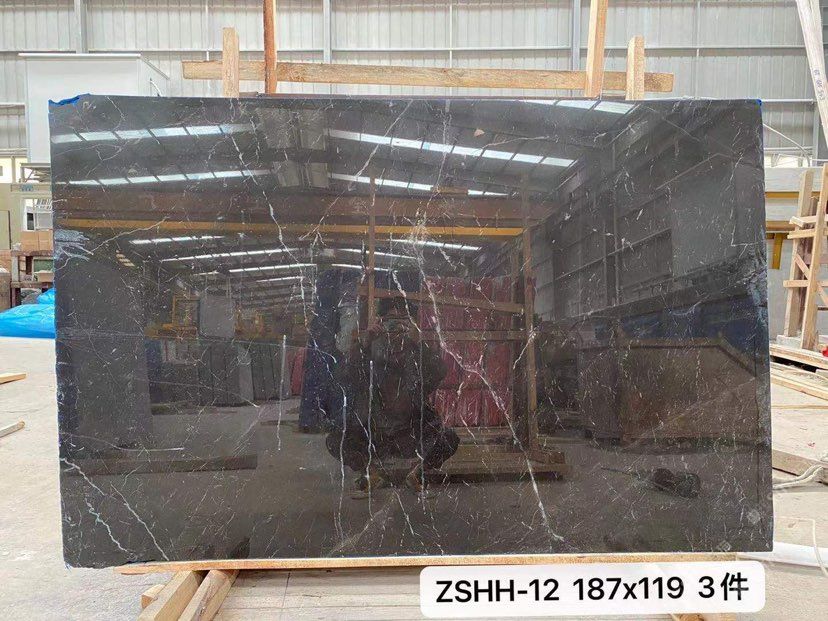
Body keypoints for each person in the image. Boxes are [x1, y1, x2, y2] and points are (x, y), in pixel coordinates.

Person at [325, 296, 459, 494]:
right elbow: (344, 375)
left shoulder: (416, 353)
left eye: (403, 320)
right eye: (390, 320)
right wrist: (365, 342)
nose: (397, 326)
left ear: (411, 323)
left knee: (449, 439)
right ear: (381, 322)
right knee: (335, 440)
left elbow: (440, 371)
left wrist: (418, 342)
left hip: (409, 434)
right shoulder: (371, 350)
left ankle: (416, 473)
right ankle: (372, 472)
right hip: (376, 434)